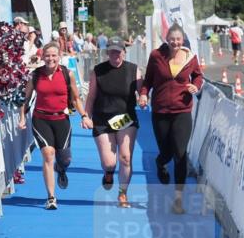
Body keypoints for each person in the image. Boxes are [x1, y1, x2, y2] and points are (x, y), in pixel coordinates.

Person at [138, 25, 203, 215]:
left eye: (179, 39)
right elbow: (148, 80)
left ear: (183, 40)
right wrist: (143, 95)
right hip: (160, 110)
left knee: (180, 153)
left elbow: (198, 76)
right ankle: (160, 163)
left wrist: (195, 86)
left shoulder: (190, 57)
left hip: (182, 110)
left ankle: (178, 200)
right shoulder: (157, 56)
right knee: (165, 151)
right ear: (166, 38)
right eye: (172, 39)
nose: (175, 42)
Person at [18, 43, 85, 210]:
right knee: (48, 154)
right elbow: (25, 99)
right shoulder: (35, 75)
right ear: (42, 57)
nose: (50, 59)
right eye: (47, 55)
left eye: (54, 55)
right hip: (41, 119)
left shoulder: (66, 74)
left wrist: (84, 116)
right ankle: (51, 197)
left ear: (59, 56)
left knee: (66, 158)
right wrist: (22, 118)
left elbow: (76, 98)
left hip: (62, 119)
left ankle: (61, 169)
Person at [84, 37, 139, 208]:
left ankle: (123, 194)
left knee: (125, 158)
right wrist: (86, 116)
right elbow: (91, 96)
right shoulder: (98, 71)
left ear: (124, 51)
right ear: (107, 52)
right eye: (112, 51)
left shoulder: (133, 70)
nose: (116, 54)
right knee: (110, 162)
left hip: (126, 118)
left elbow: (143, 91)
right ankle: (108, 173)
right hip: (102, 119)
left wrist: (144, 97)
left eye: (119, 50)